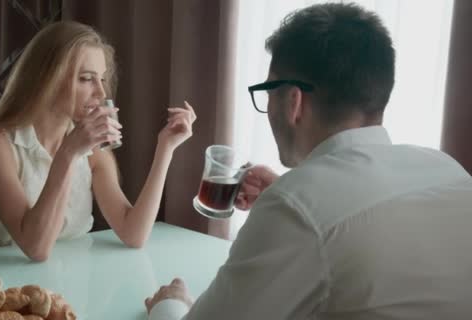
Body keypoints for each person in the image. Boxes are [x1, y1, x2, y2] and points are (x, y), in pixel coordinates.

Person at [145, 3, 472, 319]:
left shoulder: (296, 206)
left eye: (268, 90)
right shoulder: (445, 169)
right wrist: (289, 196)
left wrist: (171, 304)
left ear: (293, 100)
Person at [0, 21, 196, 261]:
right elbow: (35, 248)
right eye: (87, 78)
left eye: (102, 79)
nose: (100, 92)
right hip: (3, 285)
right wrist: (68, 153)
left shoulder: (92, 151)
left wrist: (165, 148)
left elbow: (134, 233)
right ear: (48, 79)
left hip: (72, 280)